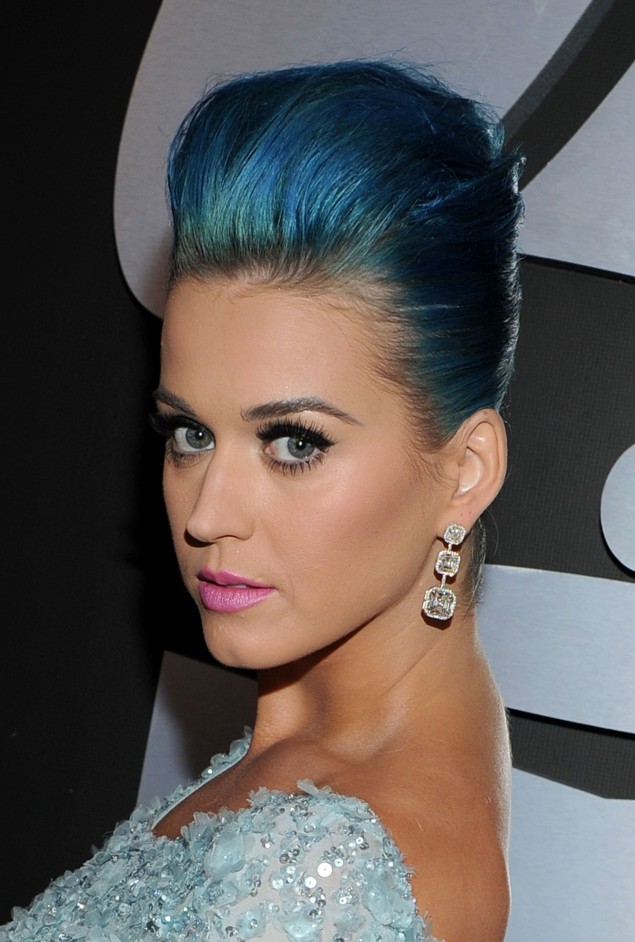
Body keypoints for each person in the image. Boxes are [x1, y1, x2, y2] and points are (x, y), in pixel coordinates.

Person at [2, 60, 523, 942]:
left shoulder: (324, 878)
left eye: (294, 444)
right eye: (189, 434)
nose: (206, 516)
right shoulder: (312, 757)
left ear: (465, 471)